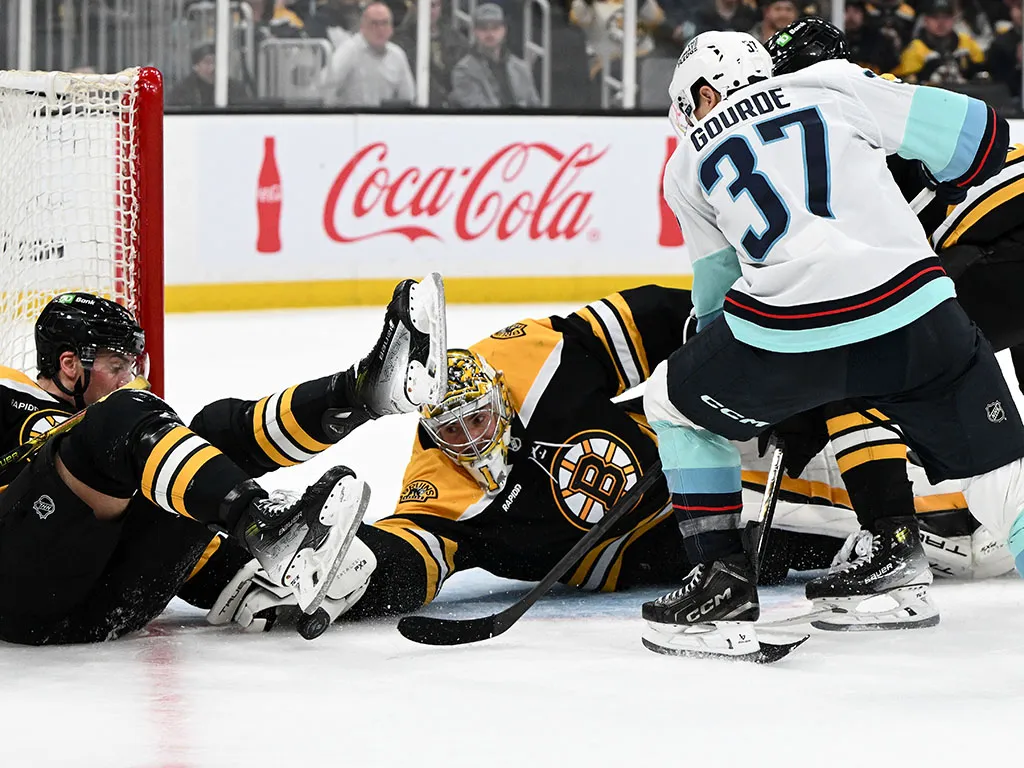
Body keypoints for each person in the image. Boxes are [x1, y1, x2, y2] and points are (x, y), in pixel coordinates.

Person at [208, 289, 1012, 633]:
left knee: (849, 402)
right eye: (452, 431)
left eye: (482, 417)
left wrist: (738, 364)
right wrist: (353, 575)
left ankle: (973, 508)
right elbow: (418, 550)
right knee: (930, 545)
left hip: (707, 465)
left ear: (501, 396)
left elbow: (660, 317)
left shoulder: (536, 359)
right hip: (661, 552)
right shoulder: (440, 473)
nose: (472, 437)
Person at [644, 29, 1023, 660]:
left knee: (672, 405)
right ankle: (905, 554)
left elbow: (714, 305)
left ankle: (720, 586)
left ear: (705, 91)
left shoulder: (686, 163)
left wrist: (742, 389)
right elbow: (981, 140)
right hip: (921, 313)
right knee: (1004, 478)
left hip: (790, 336)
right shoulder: (834, 87)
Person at [0, 275, 447, 645]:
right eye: (117, 365)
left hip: (108, 602)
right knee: (121, 415)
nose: (131, 377)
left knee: (213, 429)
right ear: (69, 365)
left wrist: (273, 577)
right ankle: (263, 526)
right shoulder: (8, 394)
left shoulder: (113, 440)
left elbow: (172, 534)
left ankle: (362, 394)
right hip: (20, 597)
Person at [763, 16, 1024, 629]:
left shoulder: (817, 116)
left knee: (869, 356)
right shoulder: (873, 93)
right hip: (1003, 232)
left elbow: (852, 285)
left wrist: (797, 414)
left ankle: (893, 549)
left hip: (1002, 239)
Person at [315, 2, 415, 107]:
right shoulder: (348, 51)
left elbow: (408, 99)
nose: (380, 29)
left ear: (391, 29)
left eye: (384, 23)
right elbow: (323, 88)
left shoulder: (398, 56)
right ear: (362, 27)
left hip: (385, 119)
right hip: (352, 119)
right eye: (374, 23)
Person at [450, 4, 540, 108]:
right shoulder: (463, 70)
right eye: (483, 28)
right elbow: (478, 110)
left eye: (495, 27)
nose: (490, 33)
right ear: (474, 31)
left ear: (504, 30)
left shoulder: (521, 68)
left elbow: (535, 107)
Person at [393, 0, 469, 107]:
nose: (430, 11)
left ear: (441, 7)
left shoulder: (457, 39)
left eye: (434, 5)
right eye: (426, 6)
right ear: (414, 7)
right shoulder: (400, 41)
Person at [895, 0, 986, 84]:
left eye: (946, 17)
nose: (941, 23)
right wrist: (923, 74)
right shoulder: (915, 48)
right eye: (935, 17)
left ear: (953, 19)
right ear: (926, 20)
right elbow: (908, 83)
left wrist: (972, 72)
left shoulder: (967, 42)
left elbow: (983, 72)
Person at [167, 42, 252, 107]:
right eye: (207, 62)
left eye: (215, 62)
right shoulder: (182, 91)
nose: (212, 67)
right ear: (196, 66)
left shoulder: (235, 88)